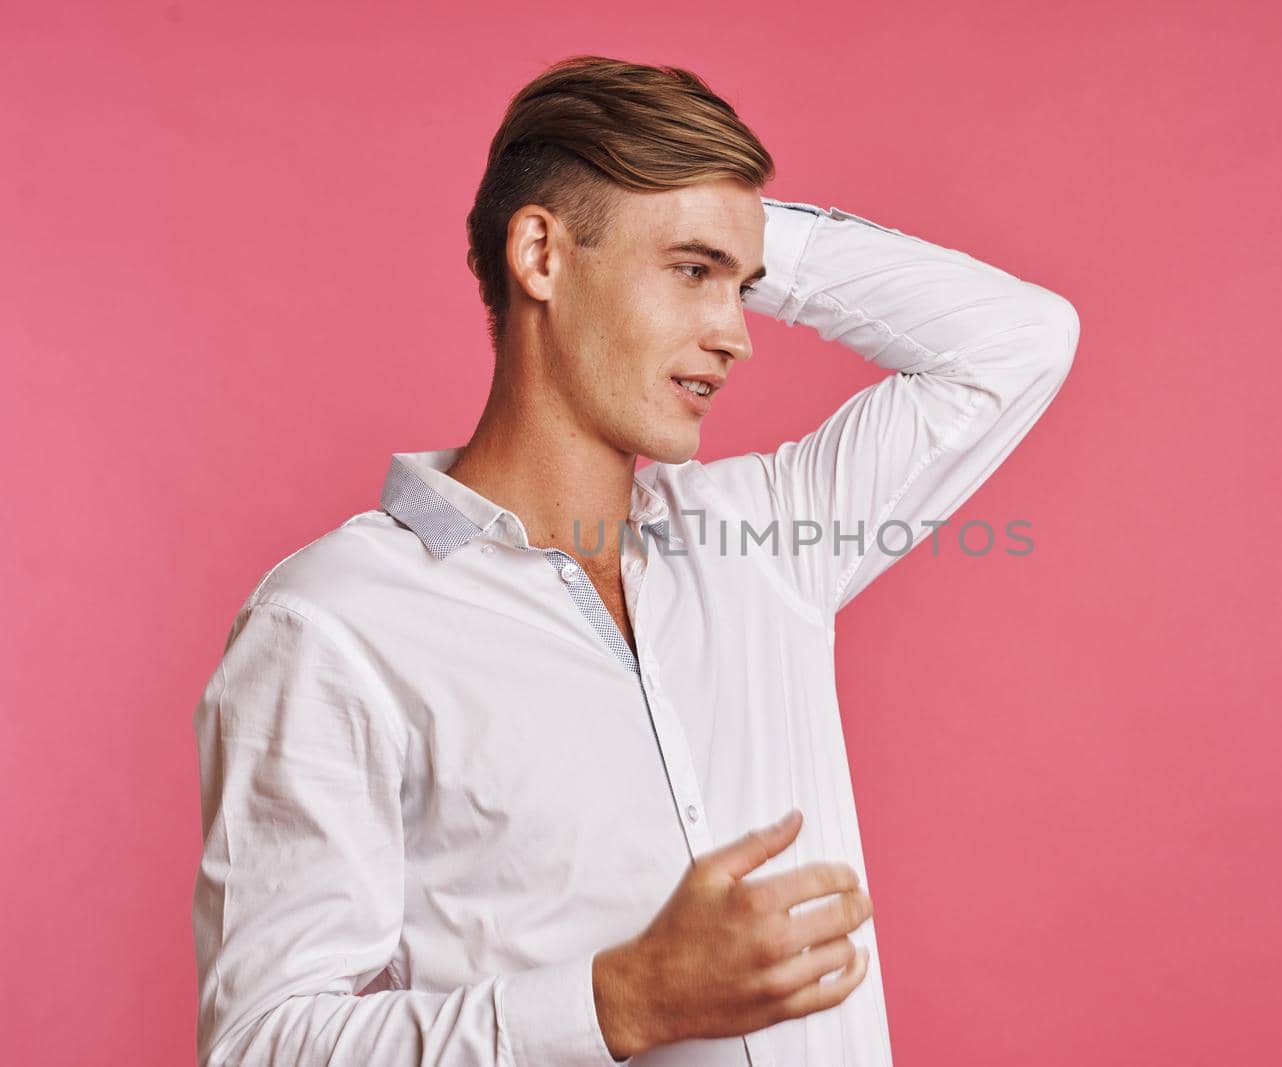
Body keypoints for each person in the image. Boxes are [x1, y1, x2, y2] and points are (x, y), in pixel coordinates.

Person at [191, 53, 1080, 1067]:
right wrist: (616, 1001)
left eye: (741, 287)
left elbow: (1018, 340)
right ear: (539, 255)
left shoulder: (766, 541)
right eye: (692, 272)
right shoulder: (333, 622)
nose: (738, 335)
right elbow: (264, 1044)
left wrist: (731, 232)